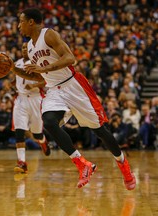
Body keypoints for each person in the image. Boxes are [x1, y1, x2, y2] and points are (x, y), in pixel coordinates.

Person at [10, 8, 136, 190]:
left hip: (73, 85)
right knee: (49, 123)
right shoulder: (29, 47)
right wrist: (15, 70)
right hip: (54, 90)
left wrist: (46, 68)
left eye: (21, 21)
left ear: (31, 22)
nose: (18, 26)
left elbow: (71, 59)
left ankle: (123, 164)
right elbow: (40, 77)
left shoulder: (49, 35)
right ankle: (82, 163)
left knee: (100, 131)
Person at [12, 42, 50, 174]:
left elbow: (46, 80)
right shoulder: (17, 63)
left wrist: (34, 86)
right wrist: (12, 84)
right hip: (21, 100)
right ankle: (22, 162)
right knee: (19, 132)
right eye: (22, 48)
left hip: (35, 99)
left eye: (26, 48)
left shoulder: (38, 62)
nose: (23, 50)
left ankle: (43, 141)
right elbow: (17, 79)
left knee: (37, 133)